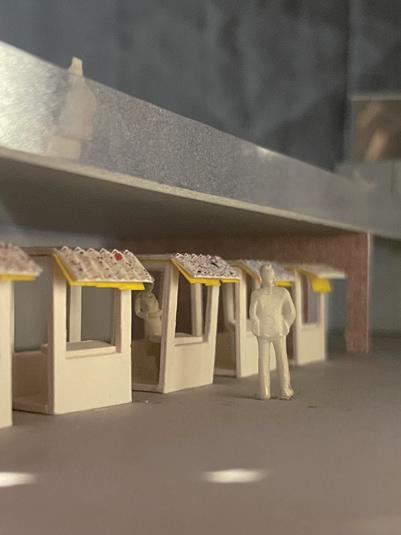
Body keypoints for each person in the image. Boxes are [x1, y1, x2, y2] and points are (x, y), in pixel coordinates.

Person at [249, 264, 296, 400]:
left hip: (270, 330)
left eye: (267, 275)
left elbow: (253, 314)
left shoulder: (262, 294)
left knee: (270, 360)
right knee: (277, 360)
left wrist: (285, 324)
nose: (268, 278)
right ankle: (279, 390)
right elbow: (291, 313)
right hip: (272, 330)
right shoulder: (277, 293)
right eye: (267, 275)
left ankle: (269, 391)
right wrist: (285, 324)